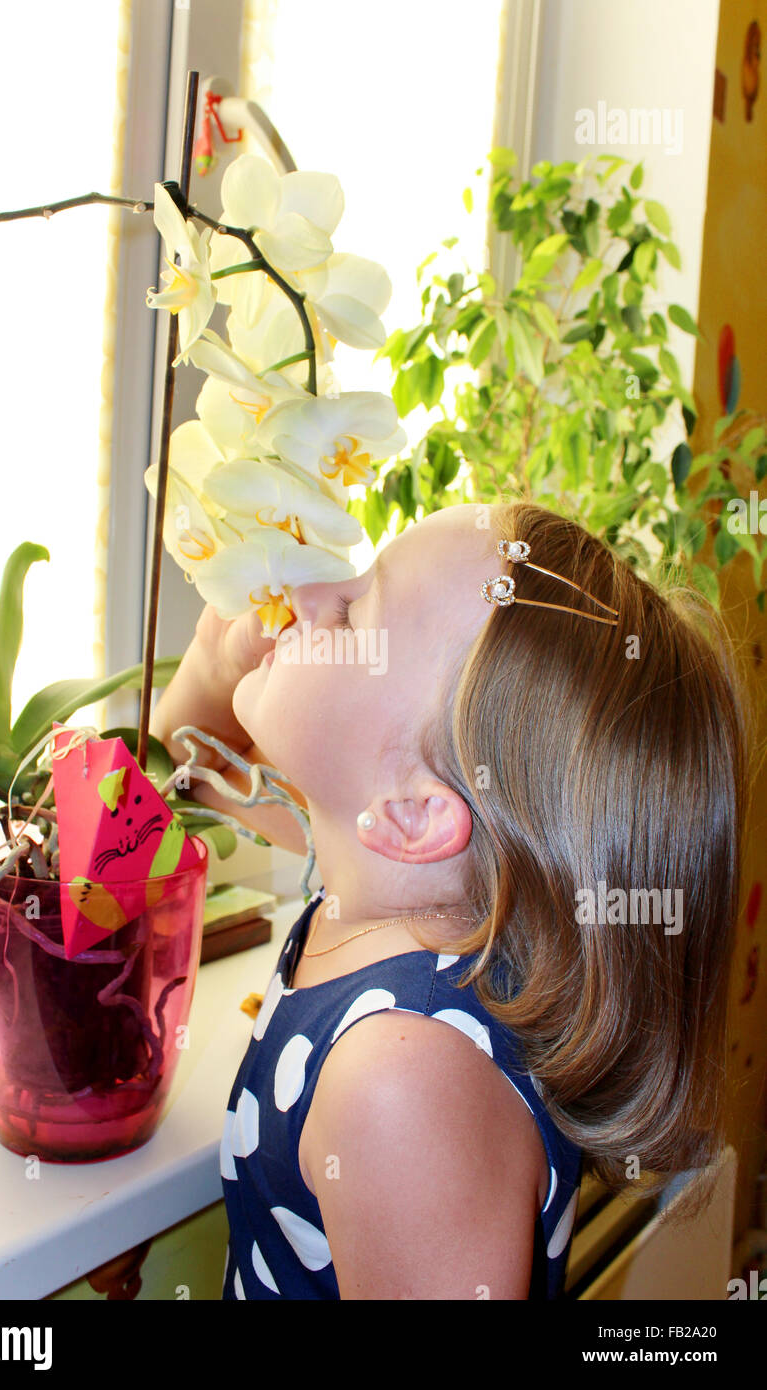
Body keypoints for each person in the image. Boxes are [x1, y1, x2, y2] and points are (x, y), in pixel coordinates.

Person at [152, 499, 752, 1300]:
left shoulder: (402, 1086)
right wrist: (219, 666)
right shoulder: (379, 879)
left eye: (357, 606)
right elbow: (191, 762)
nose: (314, 588)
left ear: (416, 813)